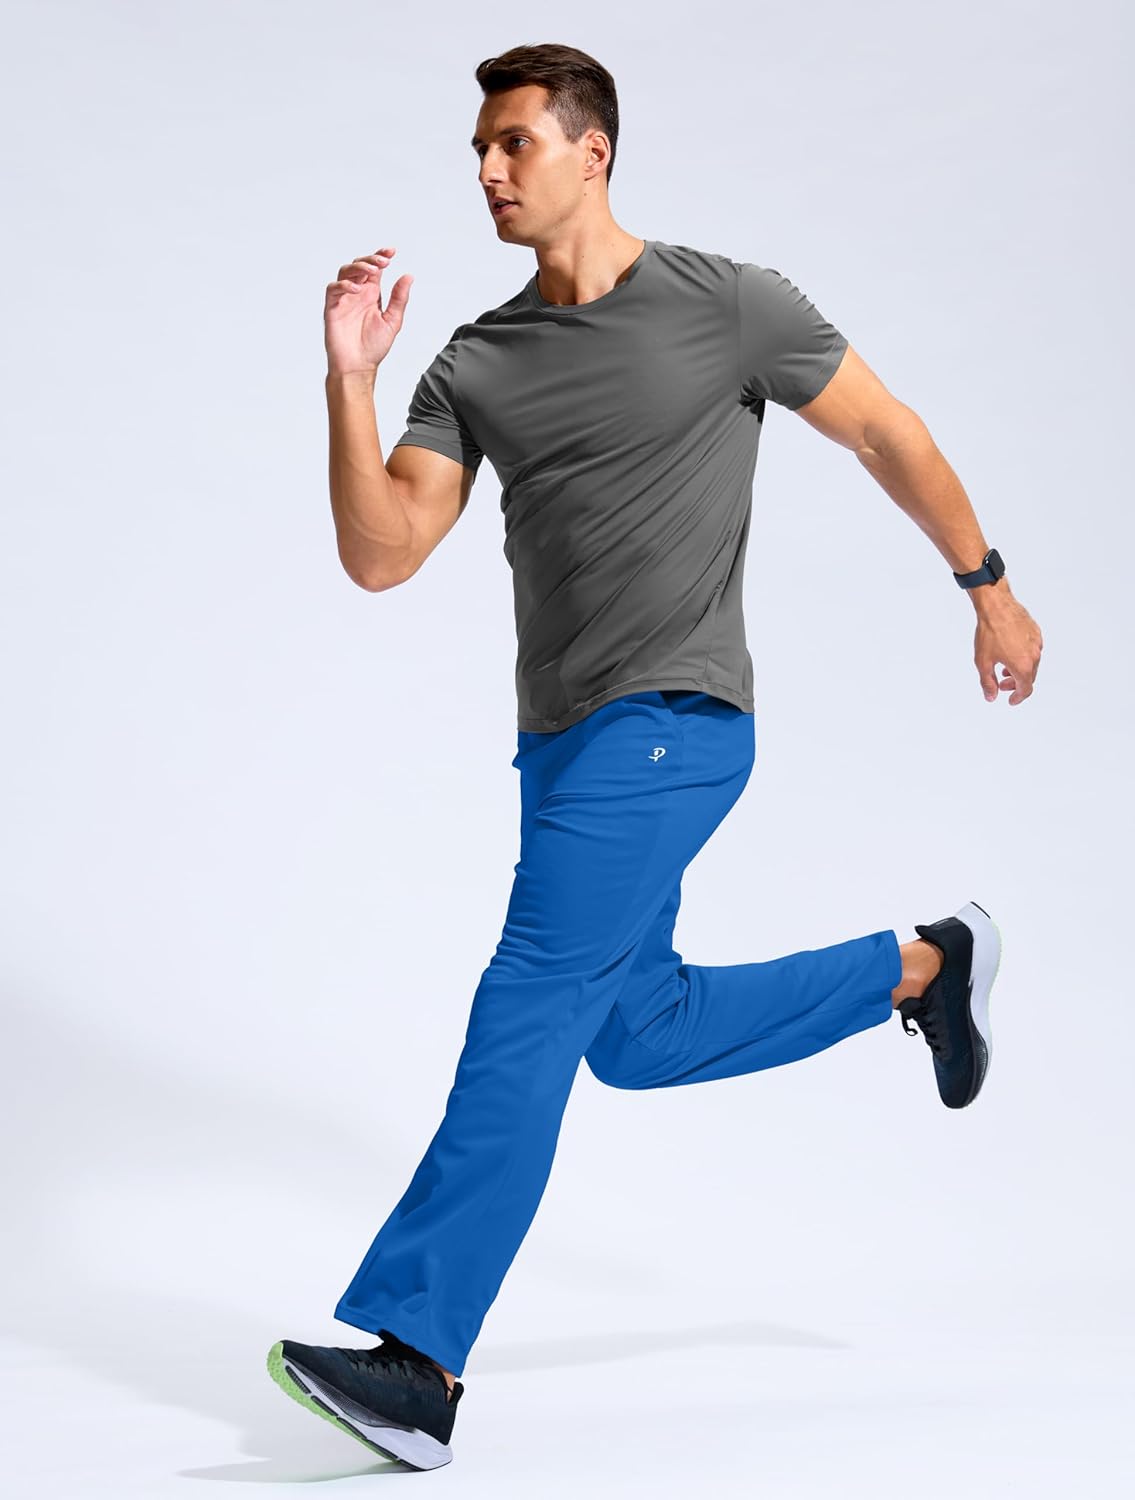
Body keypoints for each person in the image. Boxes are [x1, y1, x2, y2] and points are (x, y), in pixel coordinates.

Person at [266, 43, 1044, 1472]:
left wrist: (986, 585)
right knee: (633, 1033)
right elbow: (383, 553)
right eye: (478, 151)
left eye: (513, 143)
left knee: (526, 1003)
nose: (488, 172)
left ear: (593, 150)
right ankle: (923, 966)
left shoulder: (727, 304)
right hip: (563, 748)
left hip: (676, 722)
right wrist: (348, 382)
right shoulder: (477, 360)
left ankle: (419, 1361)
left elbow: (884, 431)